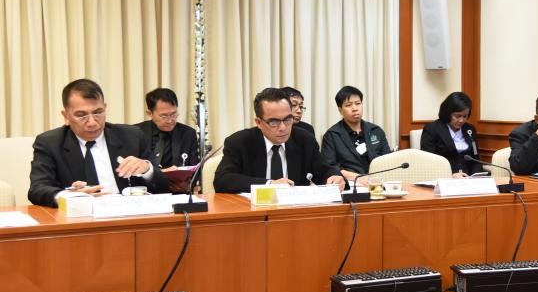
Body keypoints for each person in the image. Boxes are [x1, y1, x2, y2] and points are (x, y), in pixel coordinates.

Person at [28, 78, 169, 207]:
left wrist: (147, 169)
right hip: (80, 217)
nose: (92, 122)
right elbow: (38, 189)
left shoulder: (132, 136)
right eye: (81, 115)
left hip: (128, 213)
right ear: (66, 116)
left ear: (105, 108)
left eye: (98, 112)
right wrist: (69, 197)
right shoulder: (49, 143)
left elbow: (164, 184)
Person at [213, 87, 346, 193]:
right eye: (274, 122)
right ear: (259, 122)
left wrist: (334, 177)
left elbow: (324, 170)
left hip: (295, 211)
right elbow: (223, 180)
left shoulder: (304, 140)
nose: (283, 128)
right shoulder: (240, 142)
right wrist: (270, 184)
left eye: (288, 119)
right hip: (254, 212)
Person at [321, 86, 392, 183]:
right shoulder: (332, 135)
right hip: (350, 184)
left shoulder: (376, 131)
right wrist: (359, 178)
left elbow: (388, 160)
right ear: (340, 110)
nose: (355, 108)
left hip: (378, 182)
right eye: (348, 105)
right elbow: (330, 167)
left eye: (358, 103)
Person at [421, 92, 483, 177]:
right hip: (444, 179)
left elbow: (476, 159)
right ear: (448, 113)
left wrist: (477, 177)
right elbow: (428, 162)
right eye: (457, 116)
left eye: (465, 116)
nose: (461, 120)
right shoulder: (432, 129)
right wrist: (450, 175)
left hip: (468, 179)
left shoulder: (470, 129)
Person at [135, 88, 199, 169]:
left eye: (173, 114)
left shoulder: (188, 133)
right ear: (149, 113)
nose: (169, 121)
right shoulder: (136, 132)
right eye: (163, 116)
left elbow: (193, 169)